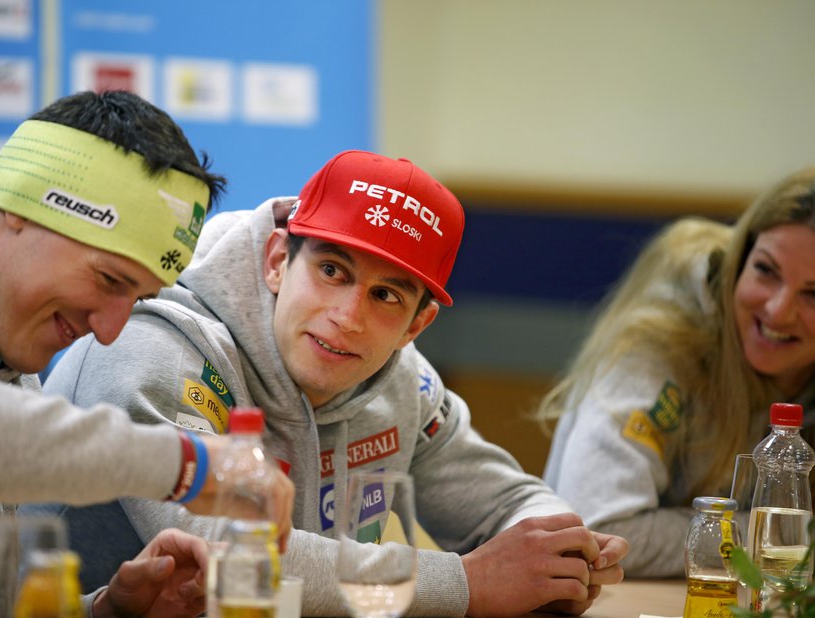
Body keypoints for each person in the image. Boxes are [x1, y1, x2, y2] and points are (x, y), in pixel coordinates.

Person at [40, 150, 629, 617]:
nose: (347, 316)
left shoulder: (404, 380)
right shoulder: (152, 351)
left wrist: (561, 555)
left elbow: (504, 501)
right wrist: (468, 583)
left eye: (385, 296)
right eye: (331, 271)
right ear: (277, 261)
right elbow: (227, 556)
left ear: (416, 324)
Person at [0, 90, 293, 616]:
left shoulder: (8, 363)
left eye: (138, 297)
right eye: (108, 279)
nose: (109, 330)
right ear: (21, 207)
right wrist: (184, 464)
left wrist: (106, 611)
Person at [538, 166, 815, 577]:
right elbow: (597, 530)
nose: (777, 310)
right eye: (765, 270)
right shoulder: (663, 338)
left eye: (813, 294)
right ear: (739, 261)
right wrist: (785, 536)